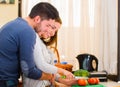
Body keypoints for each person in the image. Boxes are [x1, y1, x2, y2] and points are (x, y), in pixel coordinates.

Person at [0, 2, 74, 87]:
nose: (49, 30)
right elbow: (29, 71)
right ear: (37, 19)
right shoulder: (27, 31)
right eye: (48, 25)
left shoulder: (16, 24)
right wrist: (49, 76)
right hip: (5, 80)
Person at [23, 12, 77, 87]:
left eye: (55, 30)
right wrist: (64, 72)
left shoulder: (43, 44)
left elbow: (50, 70)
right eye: (53, 28)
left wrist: (62, 80)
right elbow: (41, 65)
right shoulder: (33, 38)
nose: (53, 33)